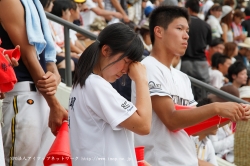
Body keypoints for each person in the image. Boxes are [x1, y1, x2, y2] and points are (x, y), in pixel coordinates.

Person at [131, 5, 250, 166]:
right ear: (158, 32)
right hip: (159, 161)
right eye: (180, 28)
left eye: (187, 30)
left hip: (186, 160)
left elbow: (192, 126)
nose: (186, 35)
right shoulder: (148, 67)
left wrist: (231, 115)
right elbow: (171, 120)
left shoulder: (182, 77)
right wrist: (216, 108)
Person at [68, 23, 152, 166]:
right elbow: (143, 125)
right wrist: (141, 79)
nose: (127, 70)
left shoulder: (85, 83)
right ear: (106, 50)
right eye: (126, 61)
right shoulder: (95, 85)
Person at [0, 0, 68, 165]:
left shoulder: (33, 3)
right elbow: (28, 56)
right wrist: (55, 104)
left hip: (39, 96)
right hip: (23, 95)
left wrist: (54, 74)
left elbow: (48, 58)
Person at [181, 0, 212, 100]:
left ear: (188, 9)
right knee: (203, 93)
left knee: (186, 91)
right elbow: (209, 44)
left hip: (185, 61)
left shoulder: (183, 25)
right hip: (201, 62)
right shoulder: (206, 25)